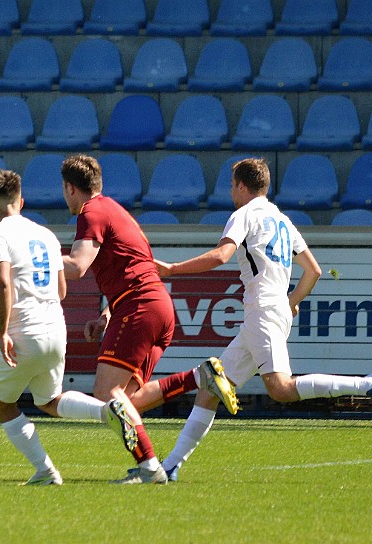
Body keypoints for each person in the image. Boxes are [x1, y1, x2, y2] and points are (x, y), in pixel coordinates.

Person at [155, 157, 372, 481]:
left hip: (263, 311)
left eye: (232, 186)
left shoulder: (243, 215)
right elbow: (313, 271)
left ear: (242, 186)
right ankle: (170, 466)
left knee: (280, 388)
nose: (231, 192)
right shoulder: (282, 220)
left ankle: (369, 384)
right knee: (210, 389)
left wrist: (172, 270)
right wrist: (290, 303)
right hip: (269, 311)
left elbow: (221, 256)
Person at [59, 154, 239, 485]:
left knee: (105, 395)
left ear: (70, 188)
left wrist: (36, 258)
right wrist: (106, 314)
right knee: (127, 403)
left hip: (139, 307)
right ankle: (199, 377)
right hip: (157, 305)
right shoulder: (116, 211)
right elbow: (133, 266)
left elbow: (78, 266)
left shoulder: (91, 212)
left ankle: (150, 468)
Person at [0, 168, 139, 486]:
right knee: (49, 400)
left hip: (23, 331)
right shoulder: (46, 236)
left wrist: (2, 332)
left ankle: (46, 470)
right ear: (21, 201)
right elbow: (62, 290)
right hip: (55, 329)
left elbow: (1, 283)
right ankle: (106, 411)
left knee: (1, 400)